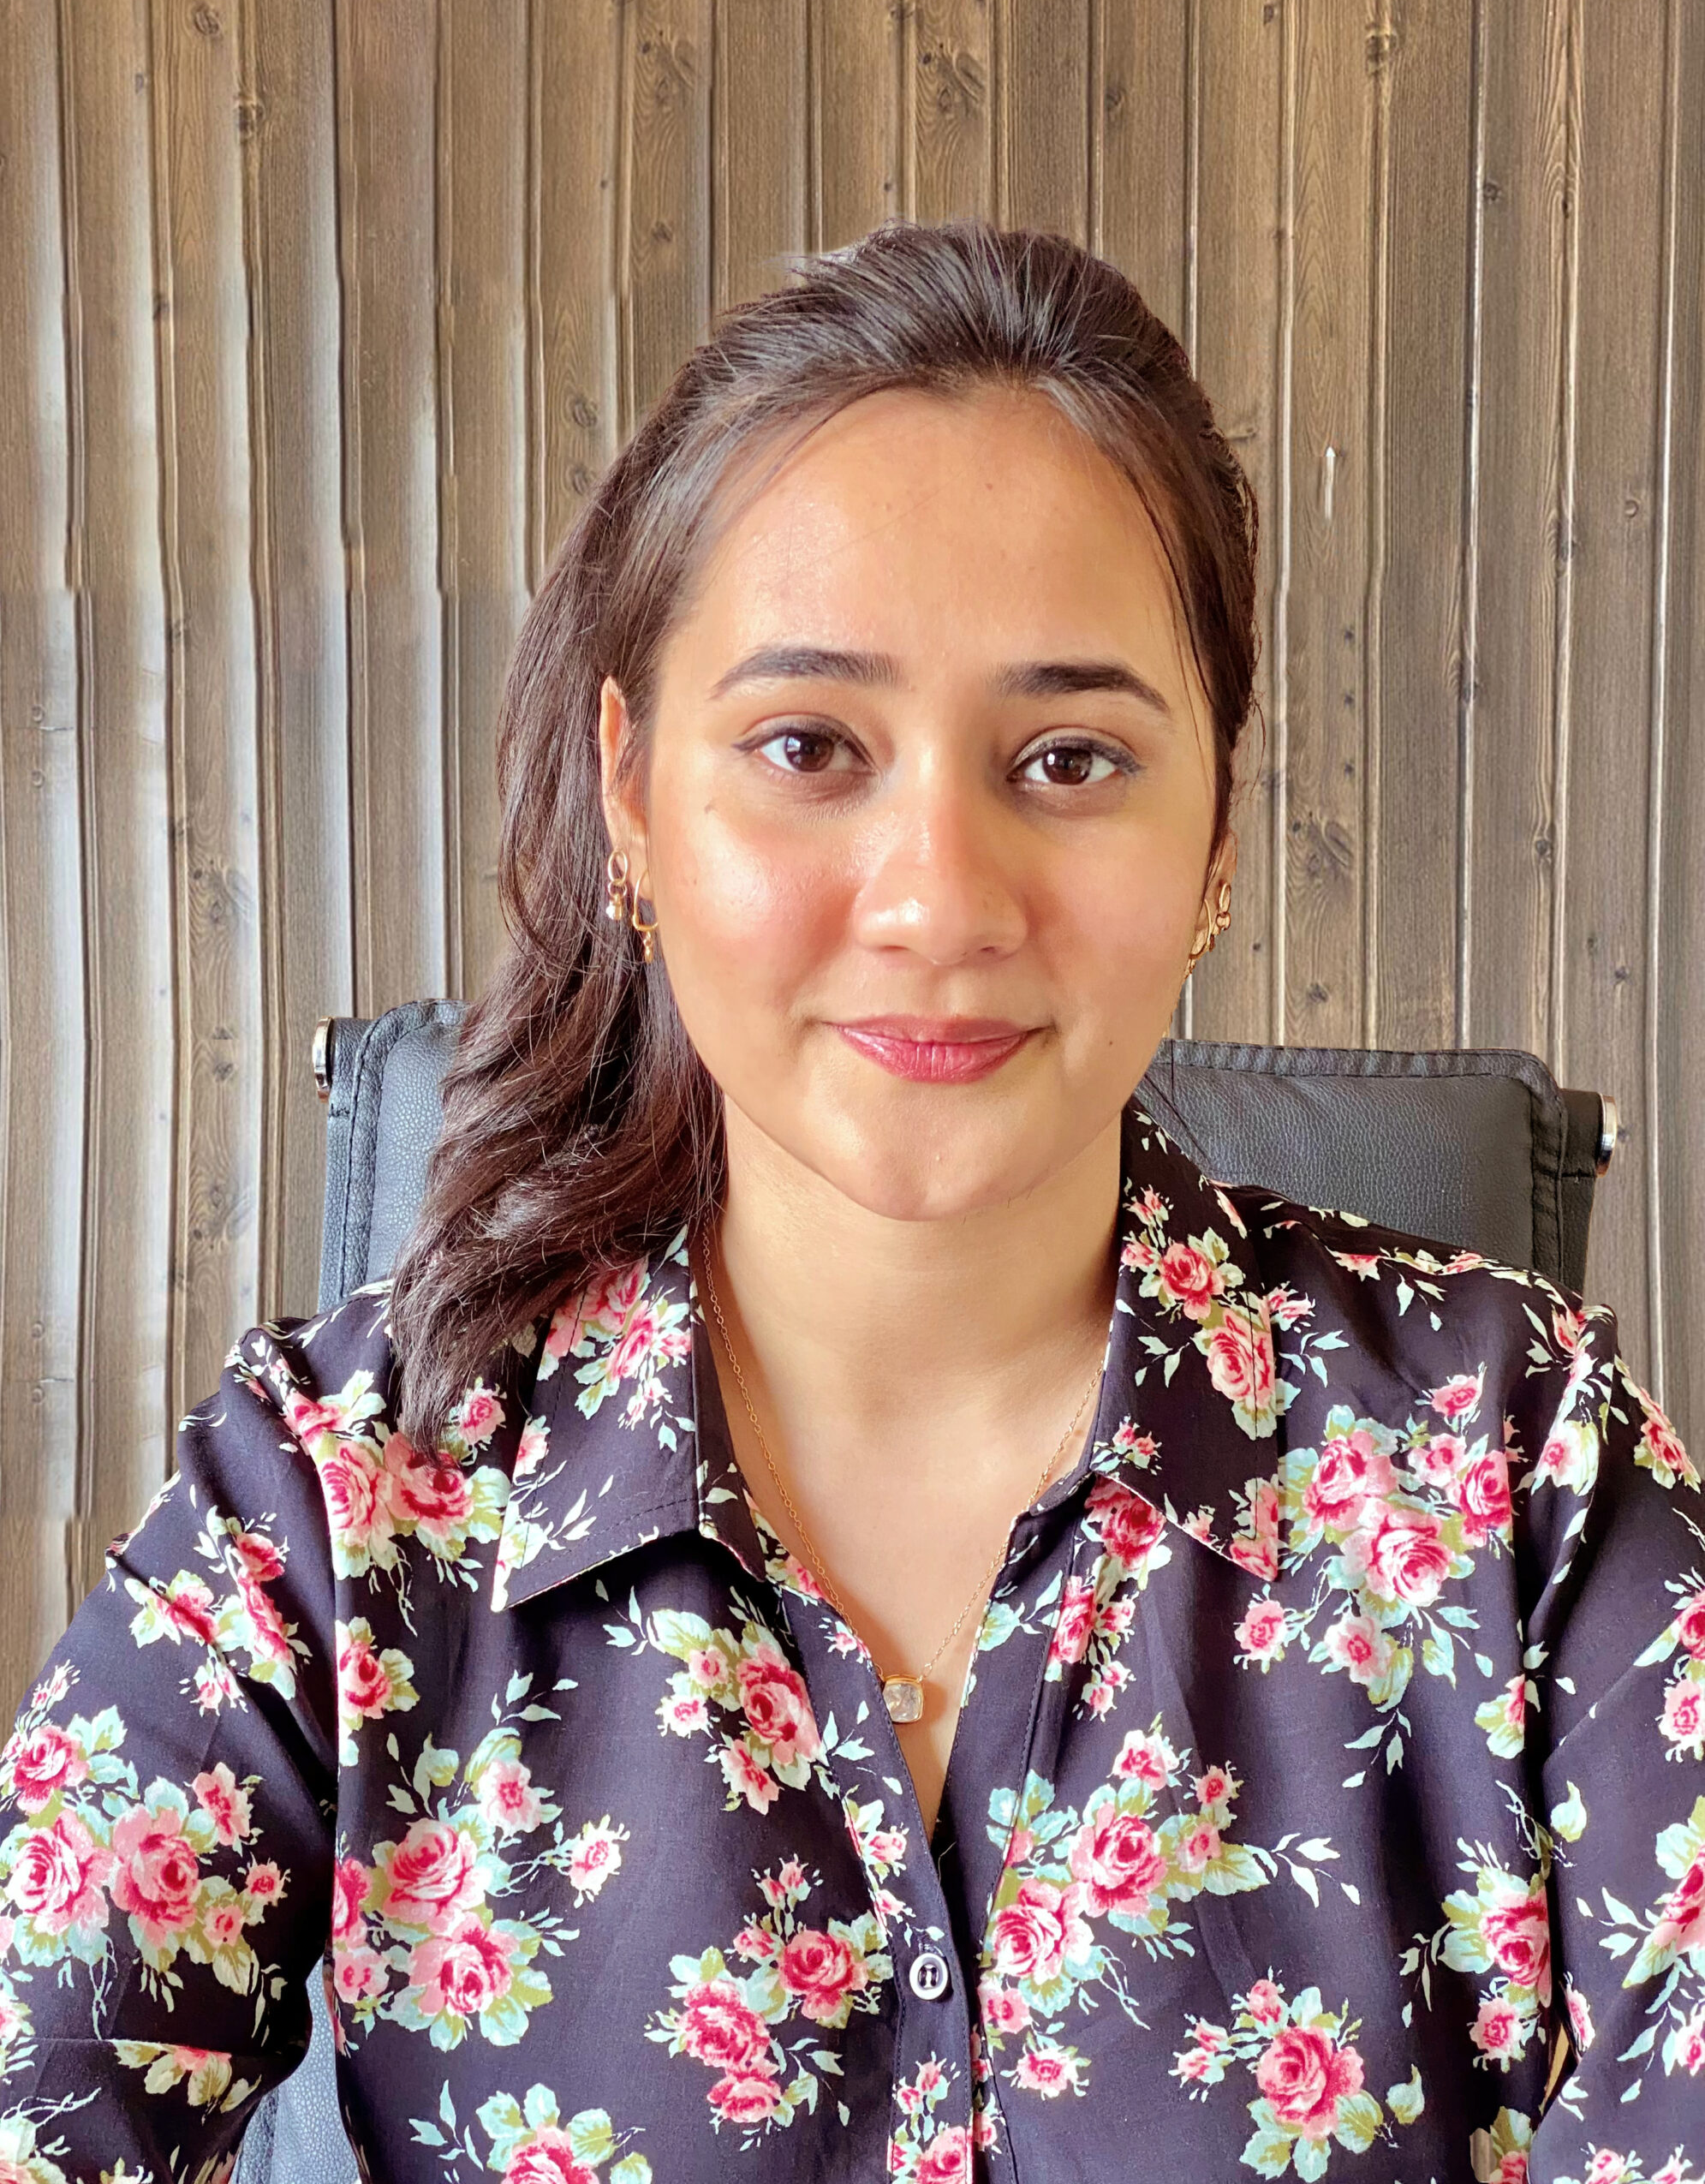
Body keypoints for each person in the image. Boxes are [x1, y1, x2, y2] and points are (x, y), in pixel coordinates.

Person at [0, 219, 1698, 2184]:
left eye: (1069, 756)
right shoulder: (337, 1497)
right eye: (808, 746)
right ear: (634, 795)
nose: (938, 898)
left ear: (1218, 833)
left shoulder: (1513, 1462)